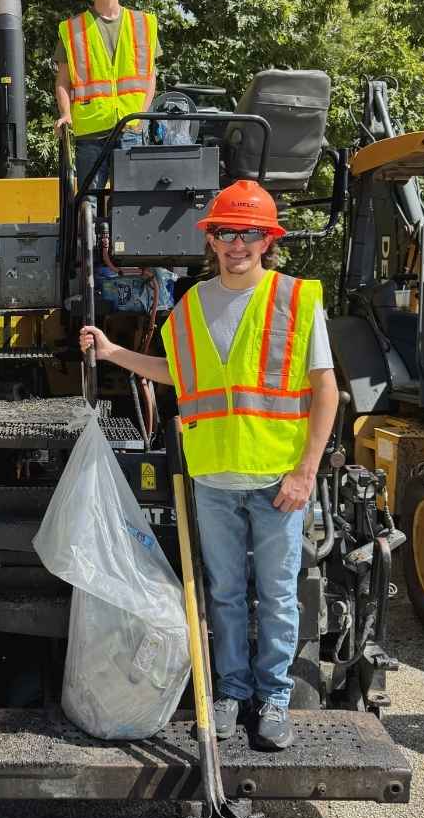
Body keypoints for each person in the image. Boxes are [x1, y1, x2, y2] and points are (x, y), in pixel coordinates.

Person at [79, 180, 338, 749]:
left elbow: (327, 392)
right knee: (221, 593)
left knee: (276, 595)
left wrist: (305, 473)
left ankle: (272, 699)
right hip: (213, 478)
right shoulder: (192, 303)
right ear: (212, 240)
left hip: (277, 479)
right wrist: (112, 352)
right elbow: (180, 376)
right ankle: (230, 693)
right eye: (226, 233)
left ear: (267, 240)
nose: (237, 244)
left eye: (249, 234)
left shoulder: (294, 299)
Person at [54, 0, 160, 195]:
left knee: (131, 204)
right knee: (88, 203)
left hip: (132, 128)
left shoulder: (144, 24)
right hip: (90, 132)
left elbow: (150, 75)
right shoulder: (72, 29)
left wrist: (142, 116)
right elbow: (62, 81)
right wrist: (66, 114)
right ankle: (90, 237)